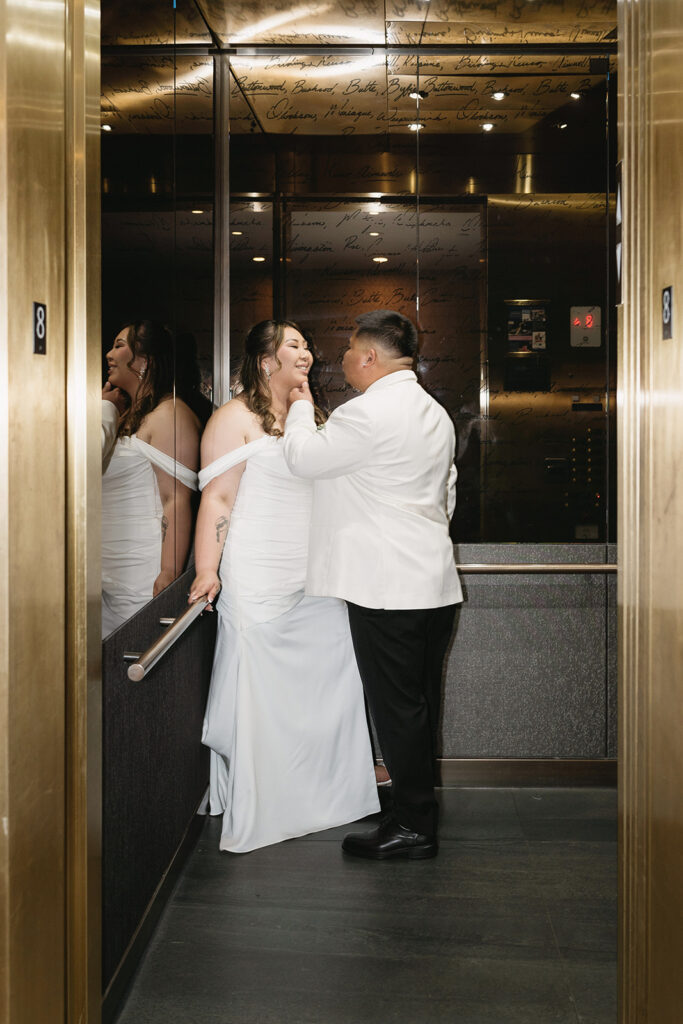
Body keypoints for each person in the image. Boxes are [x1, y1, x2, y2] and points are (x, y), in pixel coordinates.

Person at [188, 319, 379, 854]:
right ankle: (269, 802)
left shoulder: (311, 418)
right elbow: (218, 500)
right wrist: (208, 568)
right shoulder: (233, 418)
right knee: (264, 688)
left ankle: (328, 796)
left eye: (306, 345)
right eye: (293, 344)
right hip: (259, 569)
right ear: (265, 360)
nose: (307, 352)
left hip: (314, 572)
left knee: (327, 679)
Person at [283, 309, 463, 860]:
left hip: (387, 589)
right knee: (419, 705)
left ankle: (413, 827)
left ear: (370, 357)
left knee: (397, 709)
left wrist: (295, 407)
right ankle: (414, 812)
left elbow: (302, 459)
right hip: (432, 583)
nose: (341, 363)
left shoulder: (365, 415)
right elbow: (446, 496)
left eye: (347, 354)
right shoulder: (435, 415)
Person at [102, 320, 201, 637]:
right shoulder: (126, 416)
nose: (109, 354)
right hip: (106, 567)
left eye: (119, 345)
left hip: (141, 571)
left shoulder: (170, 414)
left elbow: (176, 499)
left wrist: (169, 572)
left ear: (145, 361)